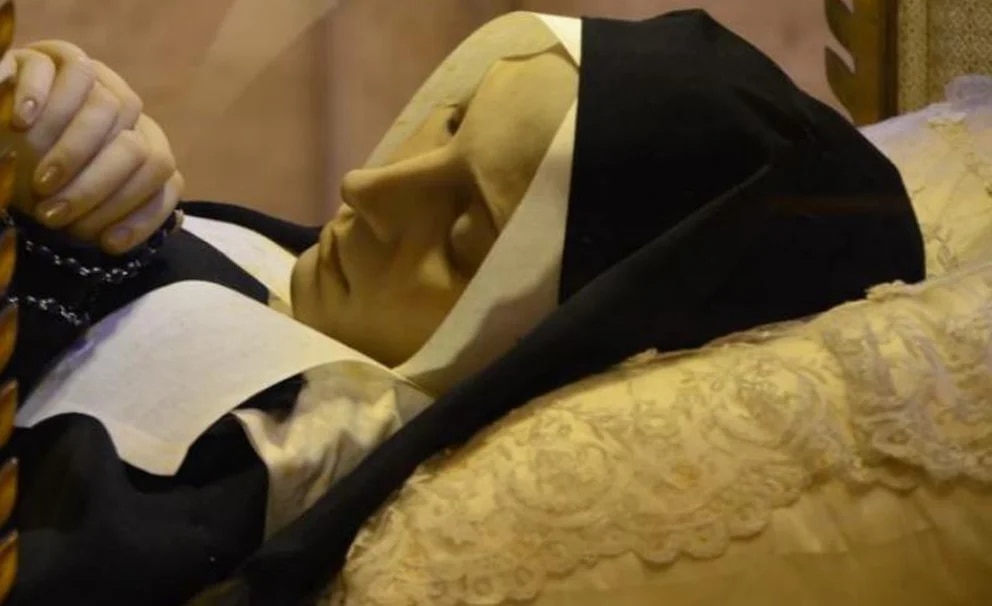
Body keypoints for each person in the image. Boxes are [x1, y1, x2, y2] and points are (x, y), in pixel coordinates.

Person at [6, 10, 924, 606]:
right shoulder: (306, 280)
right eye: (450, 122)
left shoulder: (268, 452)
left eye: (461, 232)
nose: (369, 186)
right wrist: (41, 119)